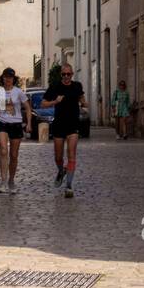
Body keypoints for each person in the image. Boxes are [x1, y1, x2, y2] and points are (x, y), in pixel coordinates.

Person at [43, 64, 86, 198]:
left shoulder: (77, 86)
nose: (67, 77)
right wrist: (55, 101)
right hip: (59, 125)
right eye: (64, 74)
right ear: (61, 75)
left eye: (69, 74)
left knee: (72, 154)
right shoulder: (55, 87)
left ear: (72, 74)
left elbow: (81, 98)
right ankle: (61, 171)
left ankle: (69, 186)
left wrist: (84, 103)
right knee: (58, 157)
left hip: (73, 124)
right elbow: (43, 104)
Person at [0, 68, 31, 194]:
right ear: (3, 78)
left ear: (14, 79)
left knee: (13, 155)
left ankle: (11, 181)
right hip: (2, 124)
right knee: (3, 150)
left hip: (16, 124)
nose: (8, 79)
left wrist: (29, 123)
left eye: (10, 77)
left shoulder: (19, 92)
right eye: (6, 77)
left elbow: (28, 108)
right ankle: (3, 181)